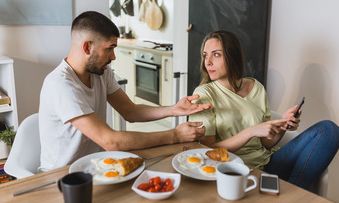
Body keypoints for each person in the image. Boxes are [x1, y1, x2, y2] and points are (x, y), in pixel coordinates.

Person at [38, 11, 212, 172]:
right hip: (60, 176)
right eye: (110, 48)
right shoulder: (60, 85)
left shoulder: (101, 73)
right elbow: (111, 142)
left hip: (95, 166)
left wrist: (172, 110)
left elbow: (130, 111)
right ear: (87, 48)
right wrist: (174, 135)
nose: (113, 57)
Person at [188, 30, 339, 190]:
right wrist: (250, 131)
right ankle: (292, 193)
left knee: (329, 130)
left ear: (232, 55)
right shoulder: (204, 94)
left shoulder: (256, 88)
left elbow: (266, 143)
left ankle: (292, 194)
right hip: (237, 170)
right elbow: (207, 150)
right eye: (206, 55)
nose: (208, 62)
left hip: (270, 164)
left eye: (216, 55)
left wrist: (283, 125)